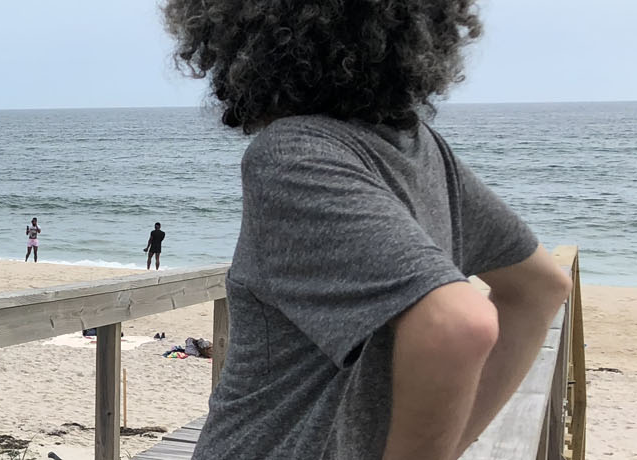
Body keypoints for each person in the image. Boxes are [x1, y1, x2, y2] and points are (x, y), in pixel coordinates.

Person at [162, 2, 573, 459]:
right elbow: (540, 287)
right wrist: (449, 443)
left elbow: (457, 323)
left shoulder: (291, 154)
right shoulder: (421, 150)